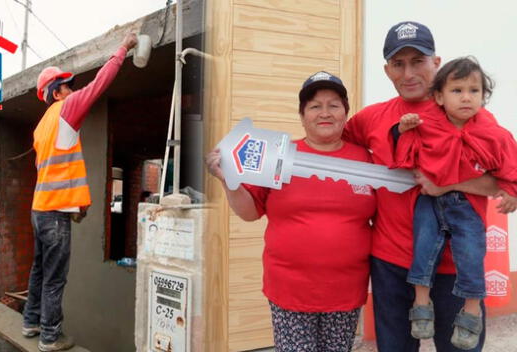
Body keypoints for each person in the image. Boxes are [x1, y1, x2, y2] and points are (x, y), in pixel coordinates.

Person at [343, 21, 517, 352]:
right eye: (399, 64)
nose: (409, 73)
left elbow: (502, 182)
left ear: (436, 63)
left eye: (418, 61)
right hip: (391, 261)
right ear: (387, 70)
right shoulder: (370, 119)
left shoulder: (472, 117)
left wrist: (443, 185)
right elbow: (333, 145)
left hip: (455, 265)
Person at [206, 72, 376, 352]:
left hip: (346, 292)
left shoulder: (365, 159)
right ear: (302, 115)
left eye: (333, 105)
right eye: (314, 106)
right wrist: (228, 182)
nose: (325, 113)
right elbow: (250, 213)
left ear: (345, 113)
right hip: (290, 291)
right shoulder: (277, 156)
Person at [22, 32, 138, 352]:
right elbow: (101, 83)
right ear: (57, 91)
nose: (73, 90)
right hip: (55, 213)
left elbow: (57, 170)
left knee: (40, 269)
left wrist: (78, 204)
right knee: (55, 277)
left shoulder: (42, 125)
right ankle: (50, 336)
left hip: (40, 209)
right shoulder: (67, 108)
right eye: (68, 85)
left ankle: (30, 322)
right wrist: (123, 49)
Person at [392, 57, 517, 350]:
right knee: (423, 247)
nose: (466, 97)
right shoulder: (426, 127)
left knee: (472, 255)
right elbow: (404, 160)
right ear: (439, 96)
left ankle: (471, 311)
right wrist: (404, 131)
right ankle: (422, 304)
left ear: (483, 97)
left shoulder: (495, 135)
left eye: (474, 91)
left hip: (467, 206)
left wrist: (511, 192)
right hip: (429, 203)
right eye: (457, 90)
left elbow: (509, 169)